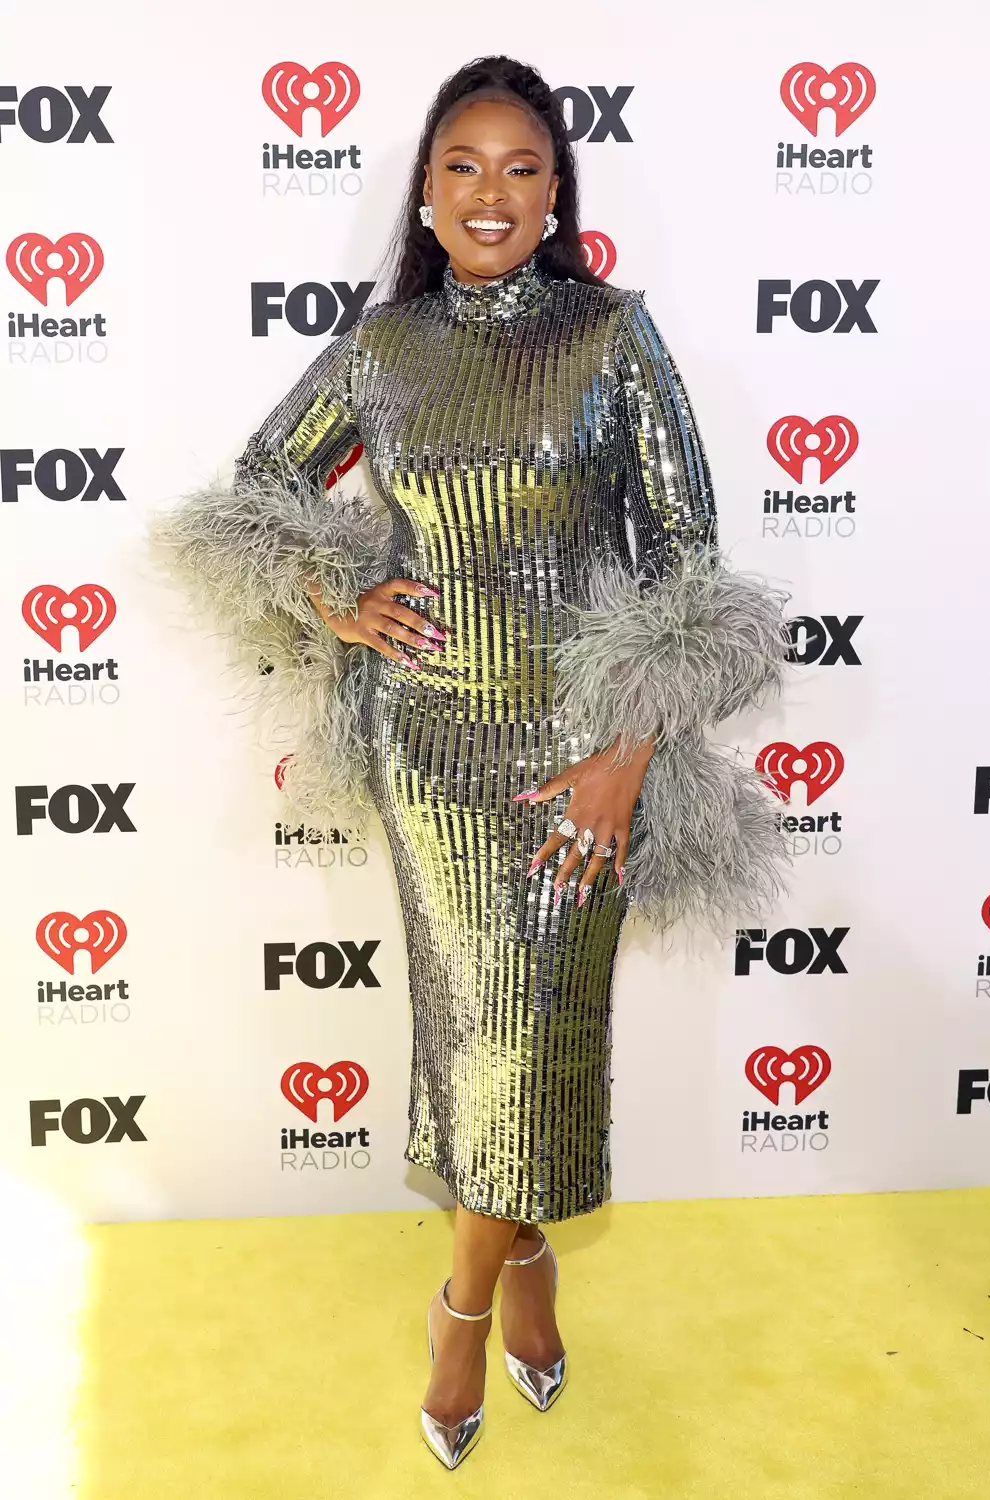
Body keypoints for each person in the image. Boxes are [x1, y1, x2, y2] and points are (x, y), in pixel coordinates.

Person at [151, 54, 789, 1470]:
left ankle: (476, 1298)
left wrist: (629, 756)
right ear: (427, 195)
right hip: (428, 753)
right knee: (474, 1033)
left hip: (581, 758)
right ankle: (511, 1283)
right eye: (462, 167)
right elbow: (256, 490)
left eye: (520, 167)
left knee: (532, 1037)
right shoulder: (383, 352)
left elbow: (692, 571)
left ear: (558, 189)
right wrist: (332, 598)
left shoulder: (613, 333)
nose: (490, 193)